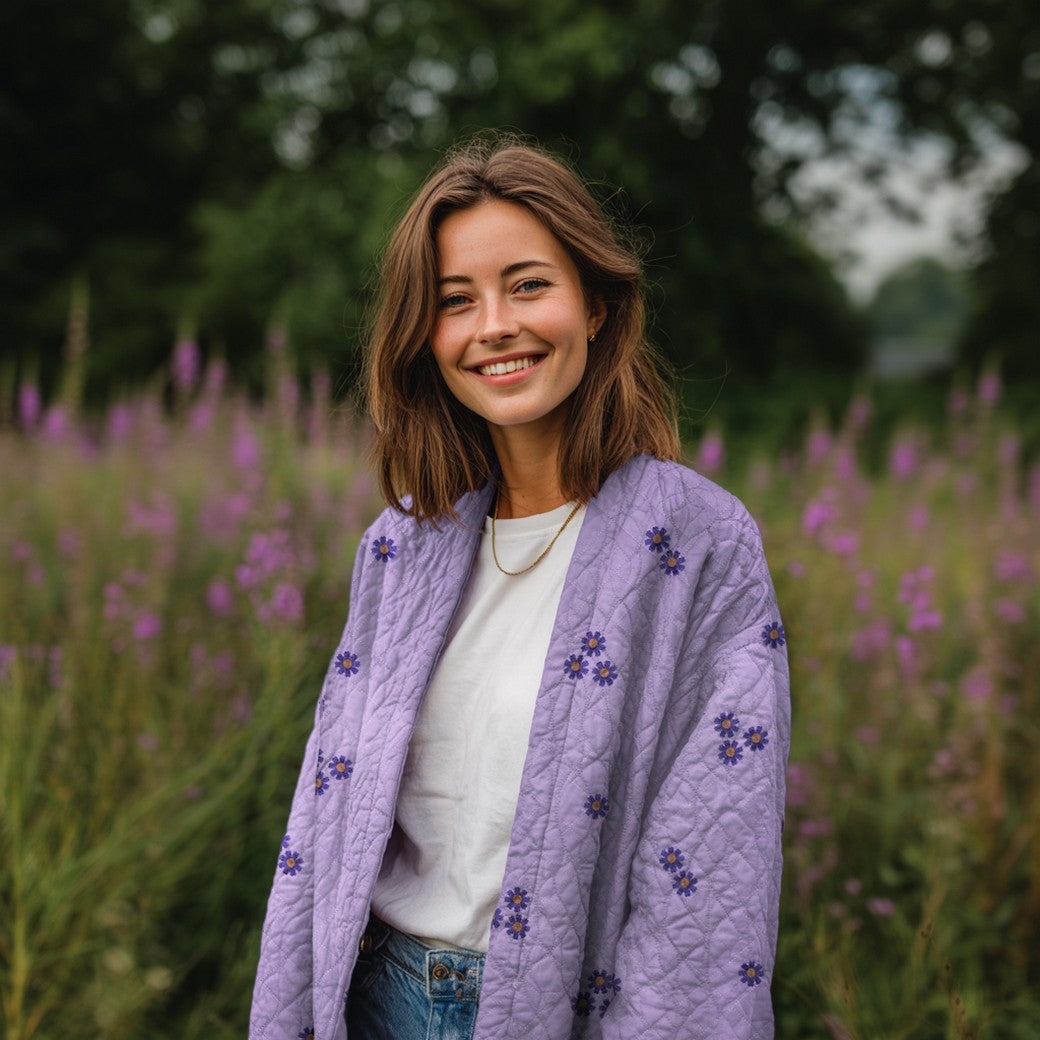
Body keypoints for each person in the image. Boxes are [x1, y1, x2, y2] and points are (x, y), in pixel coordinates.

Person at [250, 138, 789, 1040]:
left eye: (529, 285)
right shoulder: (401, 548)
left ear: (598, 307)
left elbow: (710, 858)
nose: (494, 325)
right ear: (425, 336)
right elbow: (324, 819)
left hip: (560, 1010)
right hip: (376, 996)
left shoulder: (697, 544)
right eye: (455, 300)